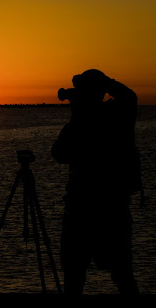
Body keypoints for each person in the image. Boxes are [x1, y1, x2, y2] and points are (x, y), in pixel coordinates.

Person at [51, 69, 141, 294]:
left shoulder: (89, 119)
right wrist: (104, 86)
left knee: (76, 275)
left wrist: (80, 111)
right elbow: (130, 97)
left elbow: (59, 153)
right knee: (120, 273)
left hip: (86, 207)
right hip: (111, 206)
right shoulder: (118, 115)